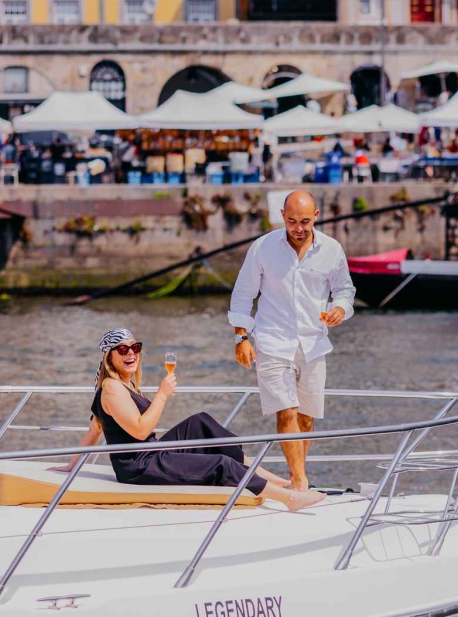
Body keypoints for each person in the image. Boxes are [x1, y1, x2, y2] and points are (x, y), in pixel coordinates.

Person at [67, 330, 323, 511]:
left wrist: (70, 466)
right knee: (222, 464)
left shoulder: (126, 385)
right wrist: (162, 395)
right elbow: (140, 430)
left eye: (135, 347)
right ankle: (288, 499)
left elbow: (94, 431)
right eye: (122, 349)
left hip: (151, 453)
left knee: (202, 423)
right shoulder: (112, 388)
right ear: (109, 357)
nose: (131, 353)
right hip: (138, 467)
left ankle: (276, 481)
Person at [229, 190, 355, 494]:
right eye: (293, 221)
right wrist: (241, 337)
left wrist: (340, 309)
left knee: (306, 418)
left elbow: (344, 290)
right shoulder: (263, 247)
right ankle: (299, 483)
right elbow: (243, 293)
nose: (299, 228)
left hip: (313, 344)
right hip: (272, 341)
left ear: (316, 216)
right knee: (286, 412)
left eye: (305, 221)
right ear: (283, 216)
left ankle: (297, 474)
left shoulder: (332, 249)